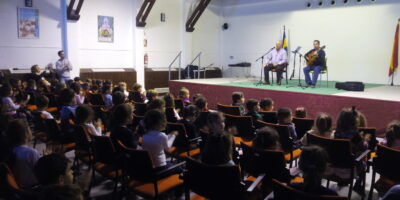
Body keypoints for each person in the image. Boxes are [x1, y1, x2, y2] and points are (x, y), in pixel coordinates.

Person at [6, 119, 40, 188]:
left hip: (18, 188)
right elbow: (41, 172)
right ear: (26, 133)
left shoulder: (9, 150)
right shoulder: (31, 152)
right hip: (33, 187)